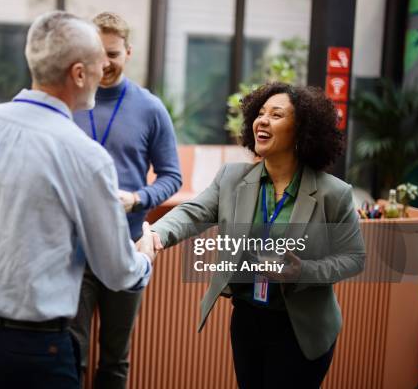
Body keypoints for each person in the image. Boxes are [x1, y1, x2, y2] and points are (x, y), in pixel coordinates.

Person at [0, 11, 157, 389]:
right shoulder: (87, 157)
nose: (102, 73)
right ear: (79, 73)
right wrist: (145, 257)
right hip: (35, 355)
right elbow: (116, 271)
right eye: (97, 65)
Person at [149, 82, 366, 388]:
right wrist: (156, 235)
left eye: (276, 115)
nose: (262, 120)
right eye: (260, 113)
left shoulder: (334, 193)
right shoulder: (232, 178)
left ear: (302, 129)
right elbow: (192, 212)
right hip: (248, 320)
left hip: (301, 328)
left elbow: (353, 258)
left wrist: (302, 271)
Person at [69, 12, 181, 389]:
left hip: (127, 246)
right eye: (98, 52)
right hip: (73, 250)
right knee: (71, 351)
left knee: (115, 359)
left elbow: (172, 177)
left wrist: (137, 199)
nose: (105, 62)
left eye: (113, 53)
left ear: (128, 52)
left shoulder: (150, 108)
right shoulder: (68, 99)